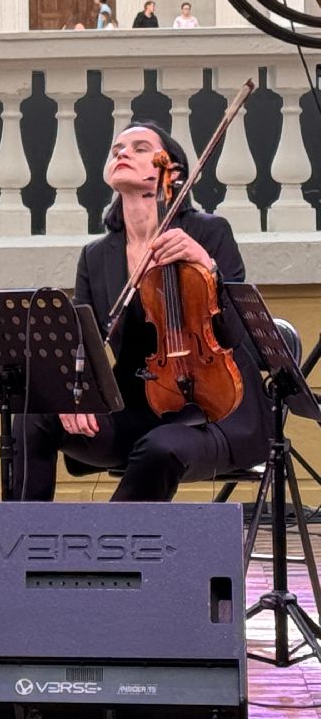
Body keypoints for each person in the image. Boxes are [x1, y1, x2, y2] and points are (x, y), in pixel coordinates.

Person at [13, 122, 268, 502]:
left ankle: (109, 552)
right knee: (32, 418)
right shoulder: (97, 256)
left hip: (216, 410)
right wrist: (72, 393)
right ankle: (19, 542)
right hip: (136, 408)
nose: (122, 153)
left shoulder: (208, 233)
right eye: (117, 149)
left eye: (139, 146)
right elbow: (85, 344)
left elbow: (242, 335)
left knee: (160, 448)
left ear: (170, 171)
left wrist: (207, 266)